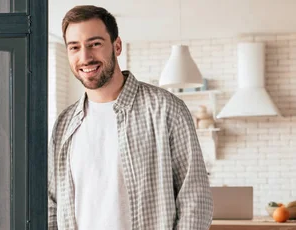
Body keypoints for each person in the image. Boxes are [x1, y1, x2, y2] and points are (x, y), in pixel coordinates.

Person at [47, 5, 214, 230]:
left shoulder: (165, 109)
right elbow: (51, 202)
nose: (85, 57)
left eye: (94, 44)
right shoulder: (64, 124)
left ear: (117, 46)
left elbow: (195, 197)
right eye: (74, 47)